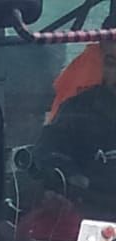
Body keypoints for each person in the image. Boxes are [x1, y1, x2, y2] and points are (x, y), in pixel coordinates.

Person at [35, 37, 116, 212]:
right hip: (91, 220)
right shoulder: (78, 110)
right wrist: (70, 176)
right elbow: (47, 155)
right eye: (111, 63)